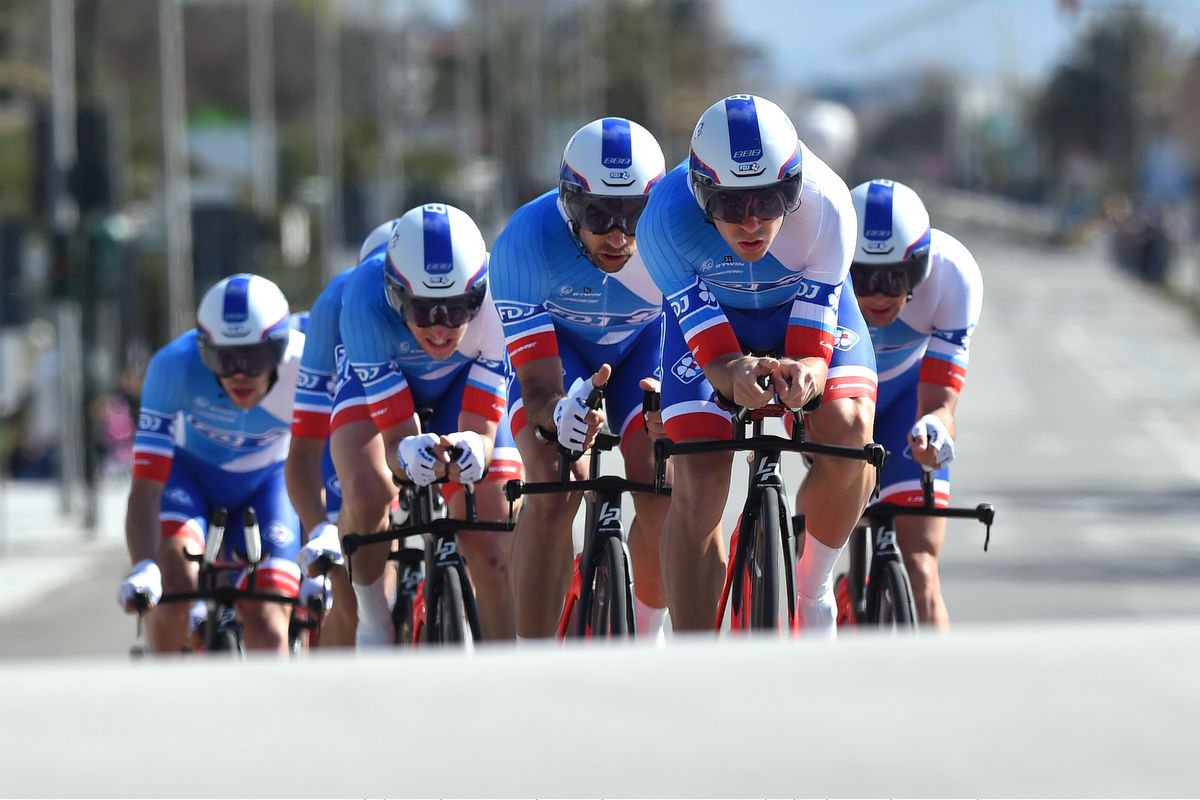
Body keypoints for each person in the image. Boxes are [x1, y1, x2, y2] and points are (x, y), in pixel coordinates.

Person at [637, 94, 878, 635]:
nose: (750, 223)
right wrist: (731, 374)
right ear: (702, 196)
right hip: (714, 326)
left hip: (802, 314)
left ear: (793, 188)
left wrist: (807, 378)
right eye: (729, 204)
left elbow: (812, 351)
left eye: (769, 201)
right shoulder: (662, 221)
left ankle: (813, 587)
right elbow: (717, 358)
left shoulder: (827, 205)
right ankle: (698, 655)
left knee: (850, 429)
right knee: (696, 482)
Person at [490, 117, 672, 641]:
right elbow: (537, 385)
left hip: (645, 347)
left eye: (634, 216)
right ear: (570, 205)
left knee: (666, 483)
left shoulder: (675, 237)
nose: (617, 236)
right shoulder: (523, 243)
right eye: (598, 215)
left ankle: (647, 634)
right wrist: (558, 414)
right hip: (559, 356)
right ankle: (534, 657)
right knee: (552, 481)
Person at [334, 203, 522, 646]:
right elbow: (396, 436)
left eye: (457, 310)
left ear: (478, 293)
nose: (440, 330)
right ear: (396, 295)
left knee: (494, 539)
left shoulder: (500, 293)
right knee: (368, 490)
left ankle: (512, 675)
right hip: (383, 383)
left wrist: (475, 448)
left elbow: (482, 429)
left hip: (462, 382)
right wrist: (405, 454)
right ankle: (374, 619)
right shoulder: (363, 297)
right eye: (423, 311)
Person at [816, 178, 983, 629]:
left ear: (921, 266)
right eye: (862, 277)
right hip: (840, 395)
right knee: (814, 552)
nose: (875, 295)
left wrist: (936, 430)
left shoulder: (954, 274)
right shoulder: (813, 260)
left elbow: (940, 403)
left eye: (893, 279)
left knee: (922, 566)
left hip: (908, 403)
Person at [117, 274, 308, 654]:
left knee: (270, 621)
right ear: (204, 349)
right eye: (222, 358)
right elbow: (146, 486)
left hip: (268, 483)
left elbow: (327, 460)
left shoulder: (305, 365)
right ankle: (167, 695)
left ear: (281, 349)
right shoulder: (173, 365)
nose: (239, 373)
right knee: (174, 581)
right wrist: (143, 566)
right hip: (189, 479)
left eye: (254, 358)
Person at [284, 220, 398, 647]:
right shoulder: (339, 304)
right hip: (365, 435)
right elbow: (304, 451)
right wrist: (319, 528)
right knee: (349, 595)